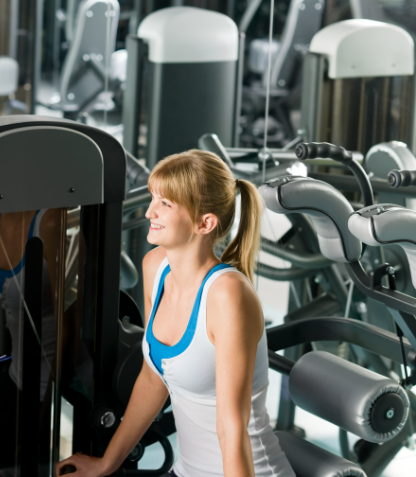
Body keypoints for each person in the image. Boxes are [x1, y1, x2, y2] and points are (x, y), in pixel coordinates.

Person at [56, 151, 295, 477]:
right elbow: (154, 378)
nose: (150, 211)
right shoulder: (156, 267)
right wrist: (106, 463)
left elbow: (231, 427)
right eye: (154, 197)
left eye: (165, 204)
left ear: (204, 223)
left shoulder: (228, 296)